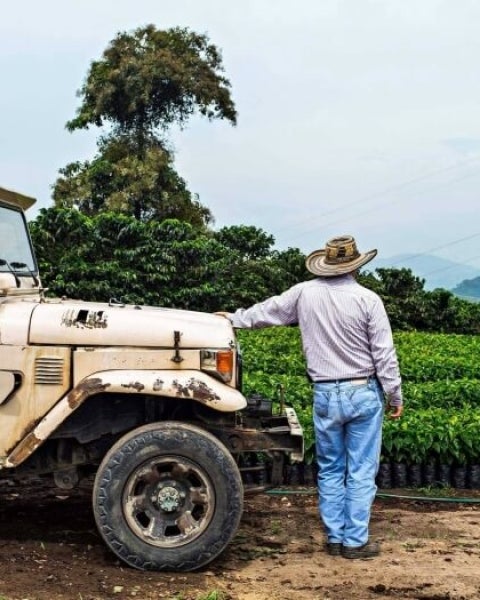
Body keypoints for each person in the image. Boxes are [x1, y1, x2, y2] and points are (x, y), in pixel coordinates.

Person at [216, 235, 403, 559]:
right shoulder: (368, 299)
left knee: (330, 467)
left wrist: (233, 318)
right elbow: (384, 354)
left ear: (327, 264)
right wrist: (394, 395)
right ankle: (355, 542)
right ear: (356, 265)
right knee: (359, 469)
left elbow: (267, 312)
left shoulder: (304, 293)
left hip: (325, 393)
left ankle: (333, 538)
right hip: (362, 392)